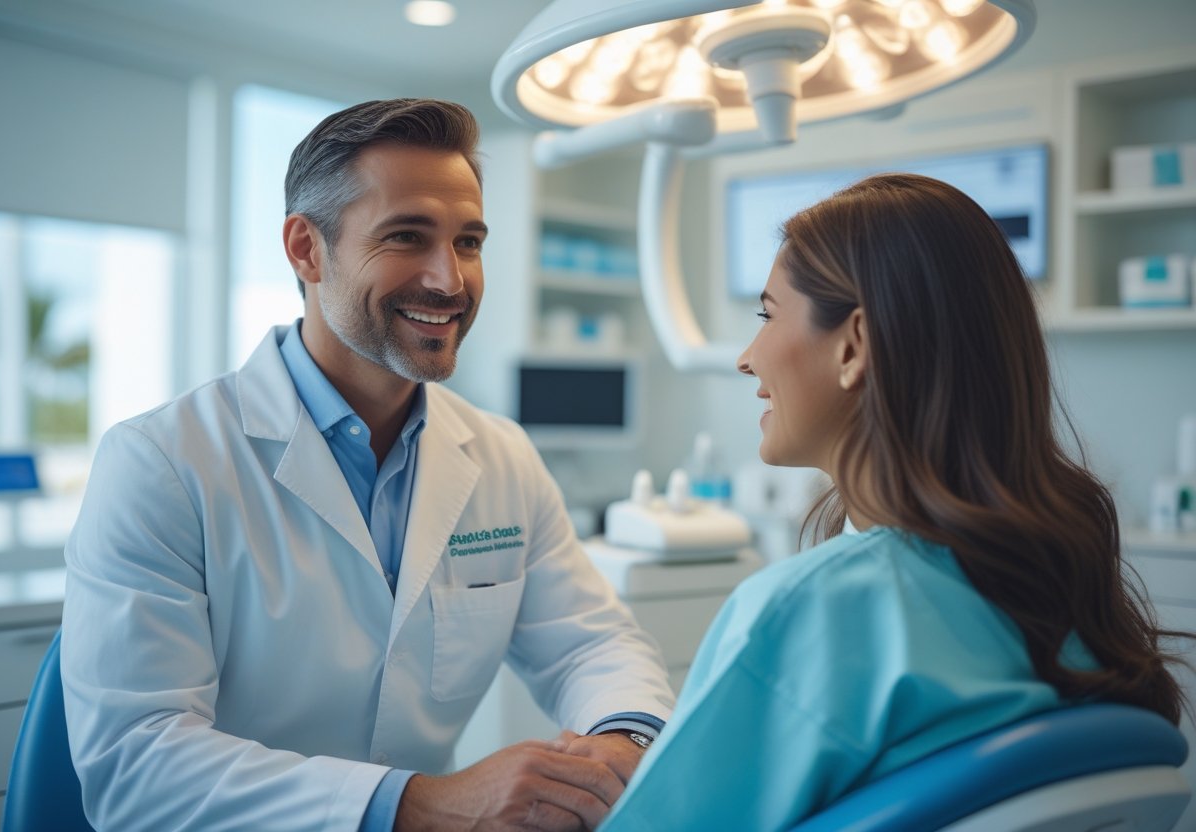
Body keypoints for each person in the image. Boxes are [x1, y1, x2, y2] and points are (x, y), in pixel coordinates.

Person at [61, 98, 675, 832]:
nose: (450, 281)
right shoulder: (163, 464)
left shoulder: (502, 457)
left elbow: (591, 641)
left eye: (469, 241)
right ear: (306, 250)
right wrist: (419, 804)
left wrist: (618, 743)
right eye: (407, 237)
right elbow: (138, 764)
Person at [597, 173, 1189, 830]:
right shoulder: (1057, 580)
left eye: (767, 315)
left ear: (853, 346)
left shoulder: (816, 611)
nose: (746, 356)